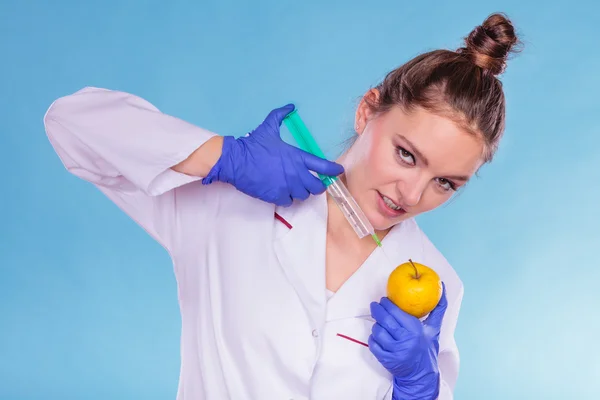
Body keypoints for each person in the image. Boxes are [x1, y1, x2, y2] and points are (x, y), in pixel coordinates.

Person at [43, 12, 521, 400]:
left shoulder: (437, 285)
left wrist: (419, 390)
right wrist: (225, 157)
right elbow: (70, 123)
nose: (412, 194)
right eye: (405, 154)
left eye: (445, 183)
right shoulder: (226, 206)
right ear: (367, 111)